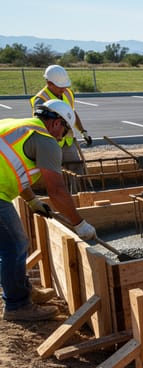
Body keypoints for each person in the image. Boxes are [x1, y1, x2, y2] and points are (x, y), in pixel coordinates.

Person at [1, 100, 96, 321]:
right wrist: (79, 224)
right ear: (55, 123)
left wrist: (32, 200)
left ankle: (22, 291)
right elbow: (57, 191)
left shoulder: (20, 127)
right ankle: (17, 305)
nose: (63, 137)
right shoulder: (46, 141)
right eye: (64, 130)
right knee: (15, 246)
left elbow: (12, 166)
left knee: (11, 245)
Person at [30, 65, 92, 177]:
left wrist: (83, 131)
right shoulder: (41, 100)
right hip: (51, 143)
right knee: (57, 173)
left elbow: (72, 112)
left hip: (68, 140)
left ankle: (80, 193)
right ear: (49, 83)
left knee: (77, 170)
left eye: (65, 86)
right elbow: (39, 125)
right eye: (60, 87)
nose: (63, 89)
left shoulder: (68, 93)